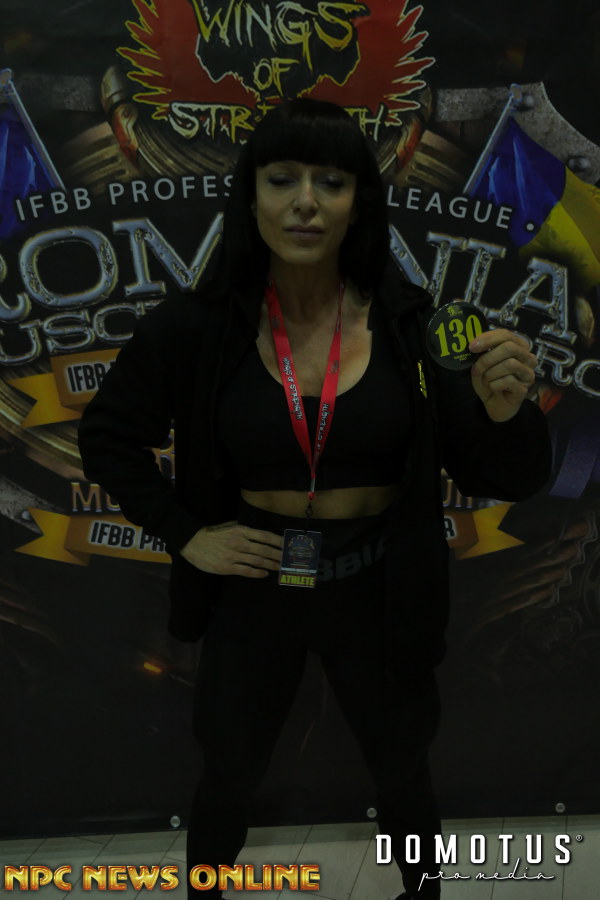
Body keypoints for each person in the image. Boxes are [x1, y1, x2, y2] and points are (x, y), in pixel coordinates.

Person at [78, 99, 551, 900]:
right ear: (251, 196)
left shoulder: (410, 325)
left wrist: (505, 415)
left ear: (358, 202)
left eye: (330, 182)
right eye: (282, 179)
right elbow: (108, 438)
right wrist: (187, 533)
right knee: (229, 764)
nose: (305, 202)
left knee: (402, 764)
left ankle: (423, 893)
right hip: (255, 579)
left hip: (378, 579)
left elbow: (509, 477)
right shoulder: (197, 327)